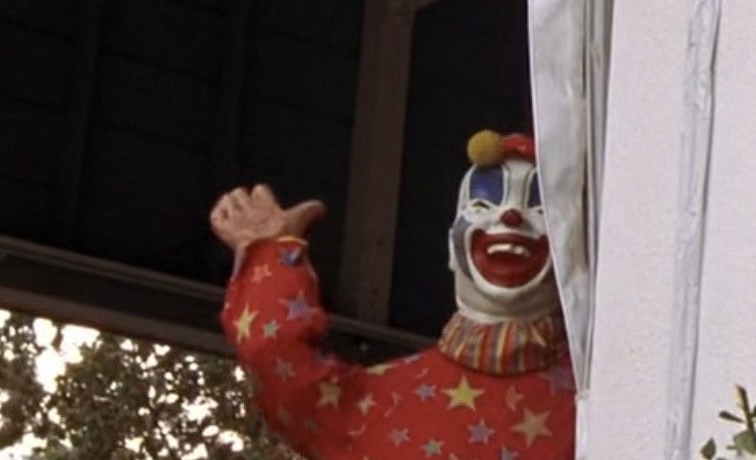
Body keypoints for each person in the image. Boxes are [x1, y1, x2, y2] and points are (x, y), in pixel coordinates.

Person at [210, 131, 575, 459]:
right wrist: (271, 254)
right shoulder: (370, 405)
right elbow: (274, 356)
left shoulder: (596, 404)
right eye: (482, 206)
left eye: (540, 210)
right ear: (451, 248)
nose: (511, 216)